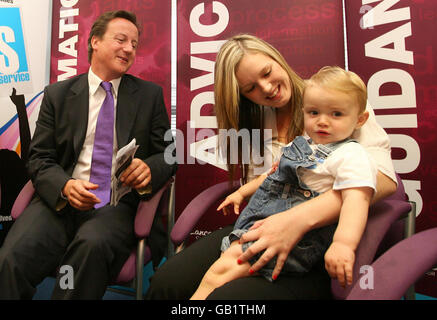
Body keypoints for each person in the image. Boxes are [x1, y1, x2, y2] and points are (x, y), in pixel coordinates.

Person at [146, 34, 397, 300]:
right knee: (167, 283)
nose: (266, 88)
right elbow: (269, 182)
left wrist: (297, 220)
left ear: (277, 58)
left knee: (228, 298)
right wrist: (252, 199)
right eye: (251, 88)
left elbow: (382, 180)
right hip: (262, 226)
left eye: (267, 72)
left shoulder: (336, 99)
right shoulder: (255, 122)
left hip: (319, 240)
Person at [0, 10, 176, 299]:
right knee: (11, 259)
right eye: (121, 40)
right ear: (95, 41)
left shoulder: (148, 96)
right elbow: (39, 157)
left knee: (88, 251)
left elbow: (168, 155)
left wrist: (148, 168)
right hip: (59, 203)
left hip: (114, 207)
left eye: (134, 43)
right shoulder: (58, 95)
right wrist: (65, 186)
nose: (129, 48)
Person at [190, 66, 376, 299]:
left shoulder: (351, 156)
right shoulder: (303, 145)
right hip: (264, 222)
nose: (322, 122)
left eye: (336, 114)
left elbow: (357, 201)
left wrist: (343, 244)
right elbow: (271, 175)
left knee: (218, 274)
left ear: (360, 120)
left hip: (302, 239)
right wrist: (241, 193)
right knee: (220, 274)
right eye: (314, 113)